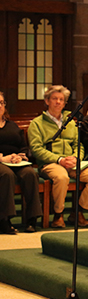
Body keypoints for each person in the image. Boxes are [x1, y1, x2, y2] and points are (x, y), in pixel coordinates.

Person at [29, 85, 88, 228]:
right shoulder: (37, 123)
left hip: (72, 163)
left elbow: (78, 144)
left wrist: (76, 158)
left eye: (61, 100)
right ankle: (58, 215)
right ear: (47, 101)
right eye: (54, 99)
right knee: (62, 177)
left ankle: (78, 212)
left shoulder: (71, 122)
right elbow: (36, 149)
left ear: (65, 103)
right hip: (50, 163)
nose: (58, 102)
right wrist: (59, 159)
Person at [0, 91, 42, 234]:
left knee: (30, 173)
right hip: (1, 162)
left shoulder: (12, 125)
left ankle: (32, 219)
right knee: (6, 175)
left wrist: (21, 156)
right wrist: (2, 158)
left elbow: (23, 145)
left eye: (1, 103)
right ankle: (4, 220)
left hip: (15, 161)